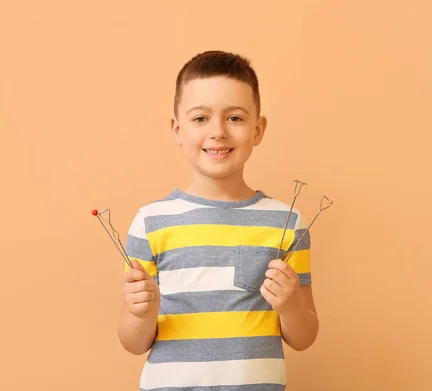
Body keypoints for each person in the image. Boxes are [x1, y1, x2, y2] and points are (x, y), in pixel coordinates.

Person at [117, 50, 319, 391]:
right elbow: (133, 342)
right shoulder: (151, 222)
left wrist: (290, 304)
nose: (218, 132)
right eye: (200, 119)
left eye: (235, 118)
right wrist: (141, 313)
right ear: (177, 129)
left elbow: (303, 338)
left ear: (258, 129)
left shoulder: (286, 222)